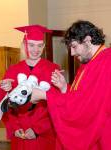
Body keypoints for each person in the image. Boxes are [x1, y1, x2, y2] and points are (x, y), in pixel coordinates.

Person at [30, 20, 111, 150]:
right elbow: (80, 97)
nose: (72, 53)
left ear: (88, 40)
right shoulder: (88, 63)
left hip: (102, 137)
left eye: (74, 46)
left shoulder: (107, 61)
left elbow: (87, 107)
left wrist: (46, 95)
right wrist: (64, 88)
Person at [0, 25, 63, 150]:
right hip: (20, 135)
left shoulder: (53, 69)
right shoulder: (13, 71)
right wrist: (14, 128)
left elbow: (58, 104)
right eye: (31, 45)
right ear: (24, 45)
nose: (35, 49)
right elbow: (5, 105)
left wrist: (38, 129)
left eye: (39, 45)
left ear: (43, 46)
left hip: (44, 136)